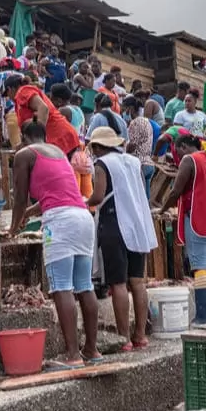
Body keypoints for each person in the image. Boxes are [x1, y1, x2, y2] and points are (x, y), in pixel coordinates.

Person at [11, 121, 99, 368]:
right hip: (83, 217)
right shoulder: (58, 153)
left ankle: (72, 354)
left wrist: (12, 229)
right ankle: (92, 349)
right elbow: (56, 194)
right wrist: (28, 214)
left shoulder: (24, 155)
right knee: (84, 285)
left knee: (62, 287)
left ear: (25, 137)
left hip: (60, 222)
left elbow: (18, 198)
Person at [86, 126, 156, 350]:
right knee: (137, 281)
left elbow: (98, 195)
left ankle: (124, 338)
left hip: (114, 225)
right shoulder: (132, 161)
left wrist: (82, 200)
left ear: (98, 147)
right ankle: (140, 335)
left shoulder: (102, 164)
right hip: (138, 225)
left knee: (118, 283)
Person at [159, 134, 206, 324]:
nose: (178, 156)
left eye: (178, 151)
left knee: (199, 266)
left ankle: (203, 316)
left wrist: (162, 209)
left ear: (184, 147)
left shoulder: (189, 160)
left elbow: (175, 191)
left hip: (197, 216)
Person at [4, 73, 81, 157]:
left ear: (9, 89)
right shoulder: (20, 100)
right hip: (60, 139)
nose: (7, 97)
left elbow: (43, 109)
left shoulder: (22, 91)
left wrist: (38, 140)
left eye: (7, 94)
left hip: (60, 138)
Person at [121, 96, 155, 186]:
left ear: (131, 108)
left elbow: (132, 145)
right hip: (149, 164)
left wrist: (123, 153)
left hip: (139, 164)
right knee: (145, 199)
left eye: (124, 108)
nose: (123, 112)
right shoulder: (146, 121)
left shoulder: (135, 122)